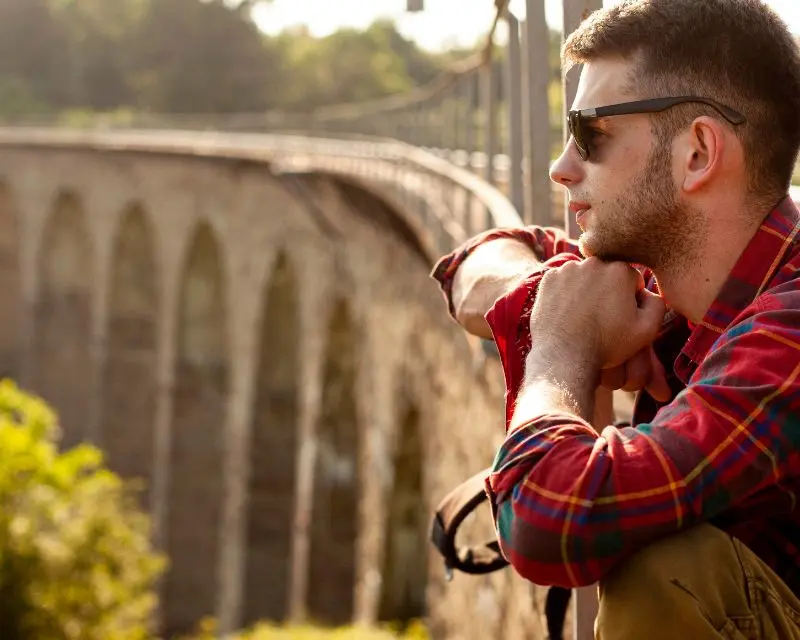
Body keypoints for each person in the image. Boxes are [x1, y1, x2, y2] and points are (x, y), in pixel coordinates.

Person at [431, 0, 800, 637]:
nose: (560, 166)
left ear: (698, 153)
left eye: (590, 135)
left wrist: (560, 347)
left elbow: (551, 523)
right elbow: (477, 260)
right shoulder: (672, 280)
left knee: (669, 566)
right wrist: (547, 292)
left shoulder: (789, 331)